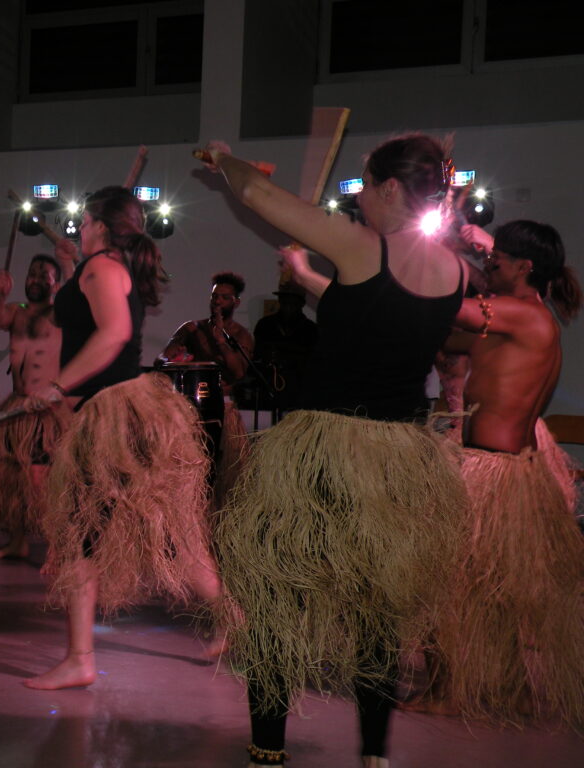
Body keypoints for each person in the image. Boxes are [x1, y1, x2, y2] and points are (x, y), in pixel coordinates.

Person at [202, 134, 467, 768]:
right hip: (397, 459)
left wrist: (225, 159)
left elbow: (257, 192)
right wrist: (306, 277)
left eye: (365, 185)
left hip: (324, 453)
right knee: (378, 609)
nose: (359, 198)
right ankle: (374, 755)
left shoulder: (363, 244)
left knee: (275, 597)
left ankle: (268, 750)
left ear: (390, 189)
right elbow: (377, 310)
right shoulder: (454, 270)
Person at [23, 186, 227, 690]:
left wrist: (57, 385)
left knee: (80, 536)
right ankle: (239, 621)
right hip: (122, 416)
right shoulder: (104, 267)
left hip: (112, 417)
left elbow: (113, 334)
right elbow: (88, 320)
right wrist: (71, 267)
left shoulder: (102, 268)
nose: (77, 229)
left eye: (83, 222)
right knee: (174, 534)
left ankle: (80, 660)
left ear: (97, 224)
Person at [421, 220, 584, 727]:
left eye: (497, 261)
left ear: (524, 267)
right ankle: (514, 691)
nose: (488, 267)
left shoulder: (526, 315)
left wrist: (410, 255)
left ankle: (445, 691)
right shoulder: (512, 321)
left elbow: (453, 309)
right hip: (501, 471)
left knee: (443, 579)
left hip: (491, 470)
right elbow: (452, 334)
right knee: (494, 588)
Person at [0, 252, 69, 560]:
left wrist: (68, 263)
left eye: (44, 276)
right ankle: (17, 541)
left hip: (47, 410)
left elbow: (78, 304)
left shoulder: (59, 314)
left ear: (56, 285)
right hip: (17, 407)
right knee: (11, 479)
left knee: (42, 482)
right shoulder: (16, 311)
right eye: (32, 274)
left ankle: (55, 548)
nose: (36, 280)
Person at [157, 271, 255, 395]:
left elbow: (239, 373)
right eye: (214, 296)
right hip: (190, 396)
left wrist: (221, 341)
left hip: (223, 399)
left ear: (236, 303)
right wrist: (174, 359)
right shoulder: (191, 328)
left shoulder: (242, 335)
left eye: (225, 298)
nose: (217, 301)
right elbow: (160, 360)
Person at [251, 278, 317, 413]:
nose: (288, 307)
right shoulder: (265, 325)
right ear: (280, 301)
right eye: (285, 302)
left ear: (301, 304)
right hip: (269, 391)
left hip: (299, 393)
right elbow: (257, 357)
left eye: (293, 303)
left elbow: (313, 364)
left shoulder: (311, 330)